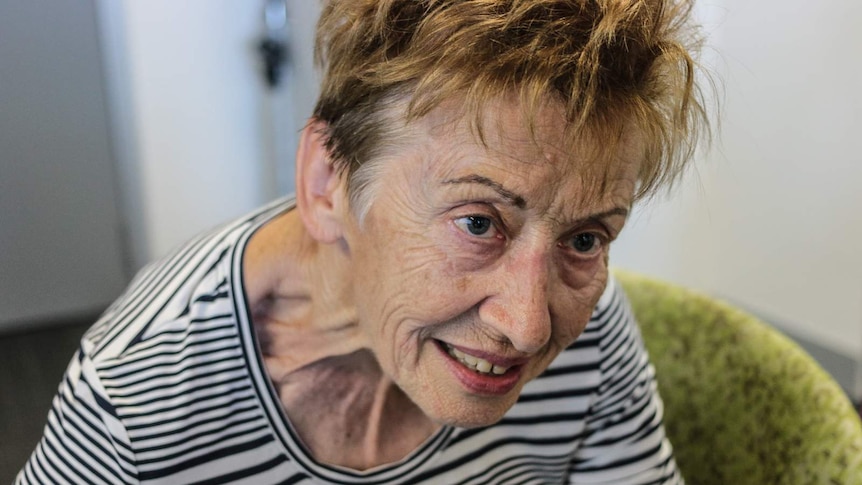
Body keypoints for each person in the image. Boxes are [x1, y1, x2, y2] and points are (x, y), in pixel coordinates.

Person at [17, 0, 709, 483]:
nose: (528, 325)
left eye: (586, 237)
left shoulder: (591, 329)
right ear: (327, 182)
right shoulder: (139, 401)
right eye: (477, 222)